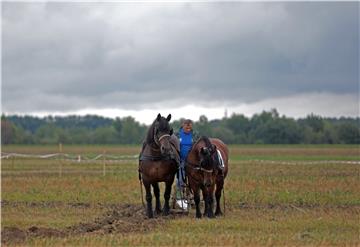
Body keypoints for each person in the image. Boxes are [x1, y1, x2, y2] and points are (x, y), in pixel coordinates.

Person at [175, 119, 199, 209]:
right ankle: (179, 197)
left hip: (193, 163)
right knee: (180, 180)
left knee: (194, 180)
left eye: (190, 125)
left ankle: (193, 197)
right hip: (181, 161)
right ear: (183, 125)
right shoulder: (177, 135)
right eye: (186, 125)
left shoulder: (195, 134)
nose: (188, 127)